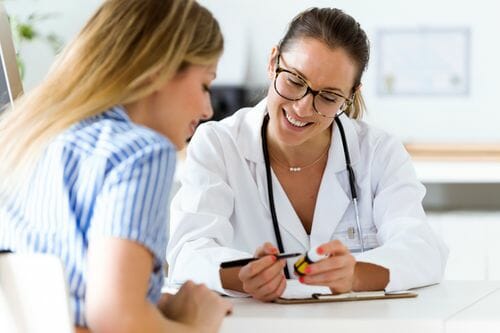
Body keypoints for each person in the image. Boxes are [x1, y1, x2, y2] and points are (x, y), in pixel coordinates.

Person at [167, 7, 448, 301]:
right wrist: (244, 276)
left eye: (328, 97)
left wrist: (355, 275)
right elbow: (188, 253)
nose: (302, 107)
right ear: (273, 61)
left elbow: (422, 249)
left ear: (350, 95)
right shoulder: (219, 145)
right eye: (294, 81)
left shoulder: (378, 152)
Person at [0, 0, 232, 332]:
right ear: (160, 68)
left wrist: (150, 302)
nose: (208, 108)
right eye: (205, 85)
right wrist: (198, 325)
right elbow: (117, 318)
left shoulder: (26, 138)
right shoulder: (141, 153)